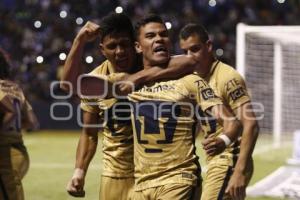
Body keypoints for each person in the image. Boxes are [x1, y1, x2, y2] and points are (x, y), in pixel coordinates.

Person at [103, 14, 241, 200]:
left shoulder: (190, 81)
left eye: (164, 34)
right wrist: (80, 41)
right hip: (142, 185)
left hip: (178, 180)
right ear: (137, 46)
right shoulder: (128, 81)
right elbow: (77, 86)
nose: (159, 38)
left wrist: (223, 140)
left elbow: (231, 122)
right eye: (151, 36)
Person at [179, 23, 259, 200]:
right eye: (185, 51)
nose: (190, 56)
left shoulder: (227, 77)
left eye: (195, 49)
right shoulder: (194, 79)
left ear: (208, 46)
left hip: (231, 158)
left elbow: (251, 124)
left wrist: (239, 170)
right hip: (215, 159)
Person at [63, 13, 137, 199]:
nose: (119, 51)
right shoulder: (94, 81)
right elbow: (89, 132)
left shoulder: (151, 69)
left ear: (135, 44)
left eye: (124, 44)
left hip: (153, 172)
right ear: (102, 50)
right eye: (112, 46)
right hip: (115, 175)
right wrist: (79, 171)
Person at [0, 48, 39, 200]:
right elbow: (31, 122)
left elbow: (10, 111)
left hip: (4, 156)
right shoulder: (15, 88)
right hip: (20, 153)